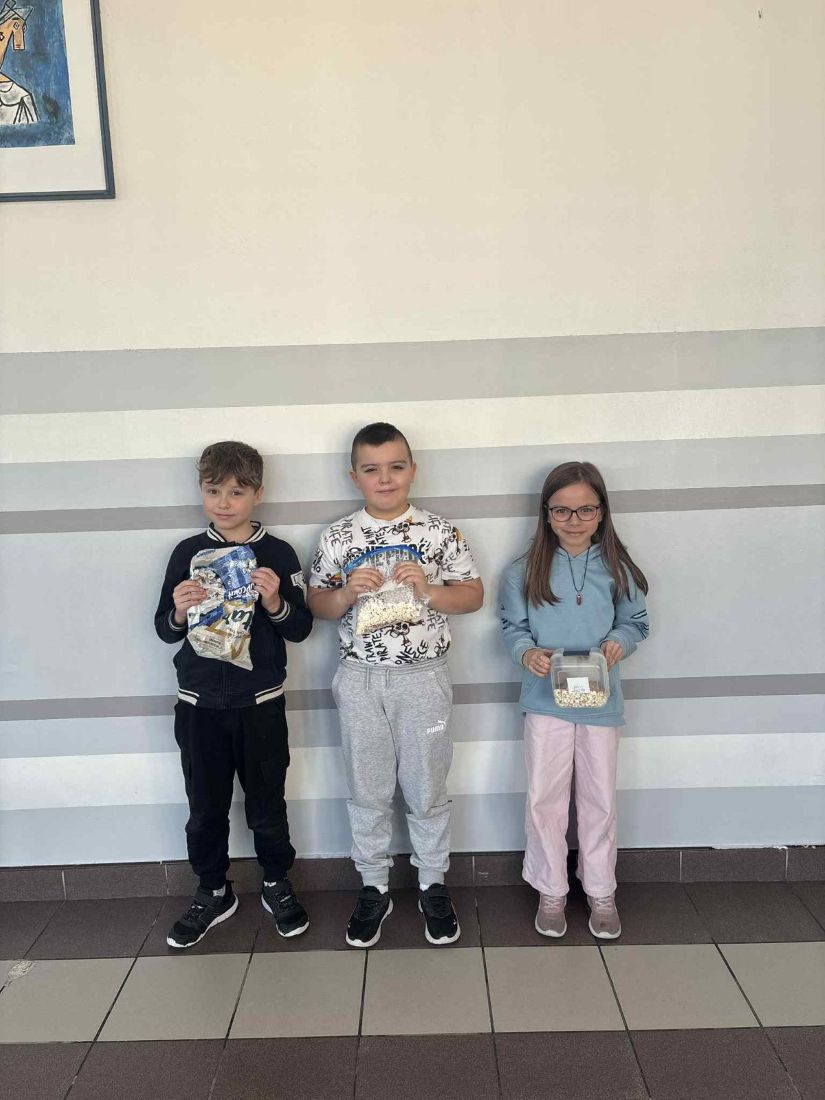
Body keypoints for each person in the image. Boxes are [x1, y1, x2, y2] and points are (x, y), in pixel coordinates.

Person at [308, 422, 483, 947]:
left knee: (427, 786)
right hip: (360, 678)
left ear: (413, 470)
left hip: (423, 677)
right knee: (368, 787)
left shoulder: (440, 532)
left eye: (396, 467)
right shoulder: (339, 537)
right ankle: (374, 886)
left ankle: (432, 882)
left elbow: (473, 594)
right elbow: (317, 604)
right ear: (354, 476)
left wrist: (429, 591)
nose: (385, 479)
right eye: (371, 469)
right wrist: (344, 595)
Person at [154, 440, 312, 948]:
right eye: (213, 490)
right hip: (198, 705)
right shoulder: (187, 553)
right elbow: (163, 629)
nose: (224, 502)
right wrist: (180, 610)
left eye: (237, 492)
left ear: (258, 494)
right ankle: (213, 890)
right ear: (201, 491)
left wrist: (274, 600)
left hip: (260, 704)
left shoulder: (278, 553)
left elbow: (301, 628)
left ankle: (276, 882)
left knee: (267, 803)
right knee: (205, 806)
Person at [499, 461, 649, 940]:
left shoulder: (617, 568)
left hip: (601, 702)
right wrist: (527, 653)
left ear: (602, 511)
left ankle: (601, 888)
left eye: (585, 509)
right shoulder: (524, 571)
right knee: (545, 798)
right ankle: (551, 889)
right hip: (546, 702)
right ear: (546, 513)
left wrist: (619, 642)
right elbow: (513, 628)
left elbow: (636, 622)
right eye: (562, 510)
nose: (574, 520)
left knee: (599, 798)